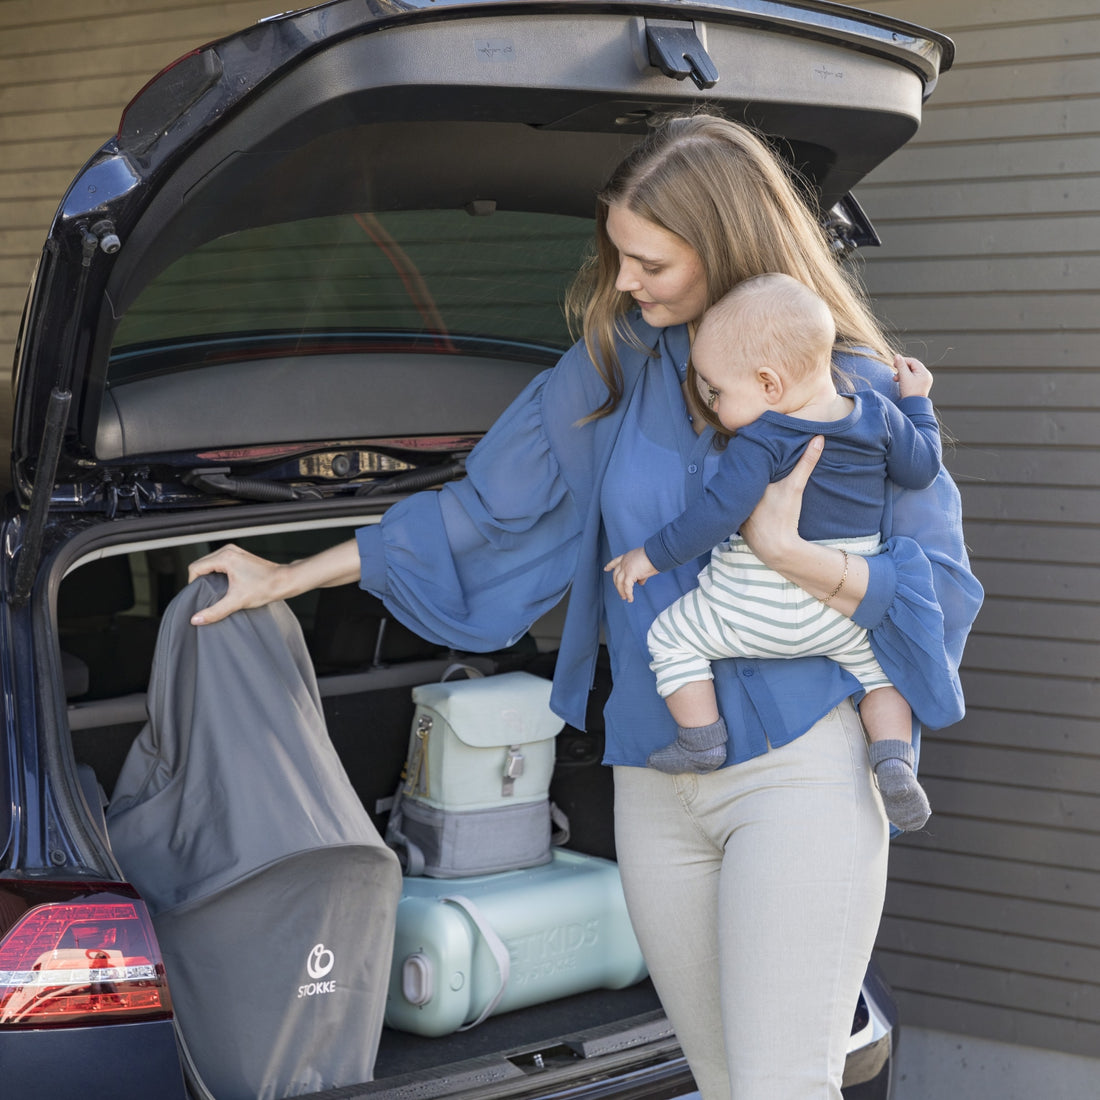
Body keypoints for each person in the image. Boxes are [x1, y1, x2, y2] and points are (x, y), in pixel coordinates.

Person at [188, 114, 982, 1100]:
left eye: (646, 260)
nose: (621, 284)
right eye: (615, 257)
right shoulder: (612, 371)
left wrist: (787, 554)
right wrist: (286, 574)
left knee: (782, 1085)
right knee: (725, 1080)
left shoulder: (849, 398)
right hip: (656, 772)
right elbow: (481, 513)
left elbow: (936, 590)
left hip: (799, 771)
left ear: (724, 244)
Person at [605, 272, 942, 832]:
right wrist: (918, 404)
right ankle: (893, 761)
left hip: (750, 603)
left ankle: (701, 740)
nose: (711, 403)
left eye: (716, 390)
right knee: (882, 676)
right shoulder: (880, 416)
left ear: (768, 384)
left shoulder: (761, 440)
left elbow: (714, 517)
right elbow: (922, 467)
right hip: (840, 609)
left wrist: (649, 556)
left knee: (671, 638)